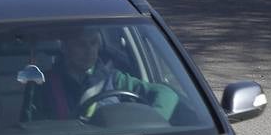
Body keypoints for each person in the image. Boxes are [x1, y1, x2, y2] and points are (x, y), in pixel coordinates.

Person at [22, 26, 179, 122]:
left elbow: (167, 93)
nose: (89, 50)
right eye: (81, 44)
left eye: (93, 43)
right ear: (64, 48)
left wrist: (153, 122)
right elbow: (29, 126)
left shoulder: (115, 79)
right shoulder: (44, 84)